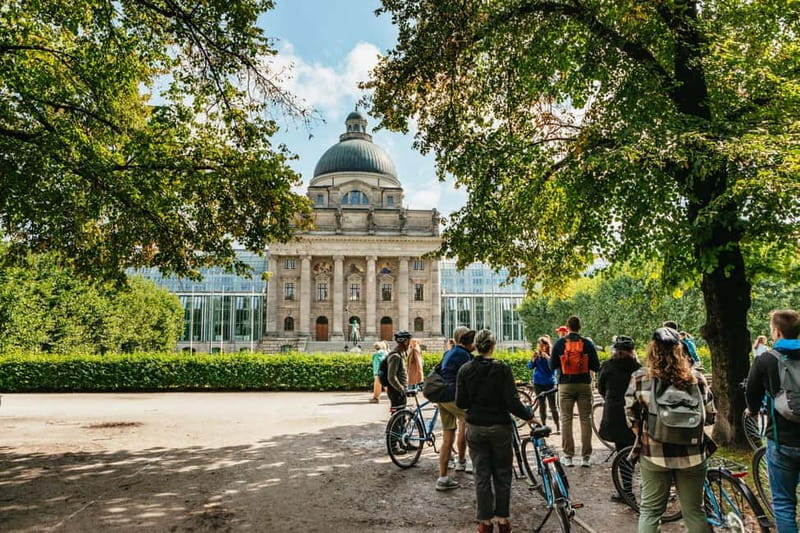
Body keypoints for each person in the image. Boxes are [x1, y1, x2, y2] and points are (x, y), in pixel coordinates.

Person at [626, 327, 716, 533]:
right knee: (694, 510)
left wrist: (647, 434)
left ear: (652, 349)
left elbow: (630, 415)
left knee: (650, 511)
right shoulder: (697, 379)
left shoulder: (641, 378)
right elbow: (710, 416)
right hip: (693, 455)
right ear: (680, 351)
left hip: (654, 453)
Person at [457, 329, 535, 533]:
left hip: (475, 427)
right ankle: (503, 519)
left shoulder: (465, 369)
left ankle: (485, 522)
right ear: (493, 346)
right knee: (502, 474)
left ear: (476, 346)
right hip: (500, 427)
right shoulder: (503, 369)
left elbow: (461, 402)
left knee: (481, 475)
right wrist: (529, 416)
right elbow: (512, 402)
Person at [746, 309, 800, 532]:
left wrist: (752, 410)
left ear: (776, 332)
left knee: (784, 503)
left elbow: (752, 394)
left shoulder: (766, 360)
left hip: (782, 440)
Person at [550, 315, 600, 467]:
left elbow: (552, 366)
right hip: (584, 384)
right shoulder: (587, 344)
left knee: (566, 419)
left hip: (565, 385)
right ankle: (586, 457)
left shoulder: (559, 343)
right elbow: (596, 367)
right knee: (585, 419)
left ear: (568, 327)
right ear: (580, 327)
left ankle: (568, 456)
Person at [597, 335, 641, 502]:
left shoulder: (607, 366)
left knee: (622, 450)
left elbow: (600, 388)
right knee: (636, 448)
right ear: (632, 351)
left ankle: (627, 491)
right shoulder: (638, 368)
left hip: (614, 413)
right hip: (634, 413)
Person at [436, 326, 476, 491]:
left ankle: (443, 477)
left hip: (443, 397)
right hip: (454, 397)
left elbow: (439, 371)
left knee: (448, 437)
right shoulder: (463, 355)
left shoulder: (449, 352)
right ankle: (469, 464)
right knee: (475, 423)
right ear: (465, 340)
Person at [527, 336, 559, 433]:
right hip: (538, 383)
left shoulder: (552, 355)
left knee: (553, 406)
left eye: (542, 345)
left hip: (550, 383)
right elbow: (530, 367)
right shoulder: (537, 355)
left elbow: (553, 368)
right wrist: (532, 360)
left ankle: (558, 426)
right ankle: (543, 426)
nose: (540, 347)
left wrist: (547, 358)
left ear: (547, 345)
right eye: (539, 345)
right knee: (542, 405)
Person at [385, 331, 411, 412]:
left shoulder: (400, 355)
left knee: (401, 418)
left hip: (398, 391)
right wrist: (401, 389)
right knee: (399, 419)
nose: (409, 345)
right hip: (396, 392)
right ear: (405, 342)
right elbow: (391, 377)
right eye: (408, 342)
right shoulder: (395, 356)